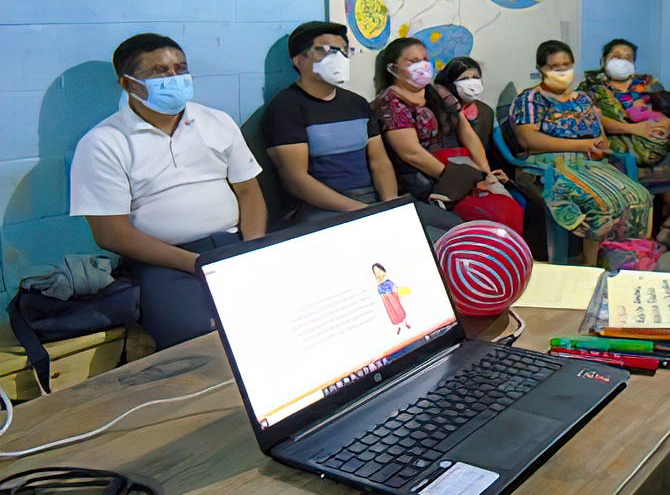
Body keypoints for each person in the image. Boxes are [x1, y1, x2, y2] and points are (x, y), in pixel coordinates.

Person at [70, 33, 267, 350]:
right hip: (162, 259)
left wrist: (253, 247)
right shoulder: (103, 143)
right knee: (197, 336)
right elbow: (110, 233)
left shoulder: (217, 122)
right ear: (128, 84)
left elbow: (248, 191)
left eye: (180, 68)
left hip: (235, 243)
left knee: (277, 311)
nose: (175, 78)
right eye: (160, 73)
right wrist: (193, 263)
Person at [260, 22, 460, 240]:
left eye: (344, 50)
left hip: (372, 200)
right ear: (299, 60)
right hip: (322, 207)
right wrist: (359, 210)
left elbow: (379, 162)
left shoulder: (356, 104)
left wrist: (389, 202)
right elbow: (295, 179)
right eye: (326, 50)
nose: (338, 57)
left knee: (454, 230)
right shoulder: (286, 107)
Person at [511, 40, 654, 266]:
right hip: (549, 165)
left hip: (590, 164)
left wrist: (600, 148)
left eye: (566, 65)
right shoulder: (529, 99)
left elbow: (600, 138)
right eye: (554, 67)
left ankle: (621, 258)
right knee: (601, 203)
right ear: (541, 69)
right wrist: (582, 146)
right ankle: (590, 265)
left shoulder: (582, 100)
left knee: (639, 197)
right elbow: (528, 139)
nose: (562, 71)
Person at [372, 37, 523, 234]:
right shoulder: (390, 103)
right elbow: (412, 154)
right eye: (413, 61)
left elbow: (467, 133)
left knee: (509, 206)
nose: (423, 65)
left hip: (464, 169)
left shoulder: (439, 93)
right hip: (427, 180)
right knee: (486, 216)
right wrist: (462, 180)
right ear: (393, 69)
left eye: (425, 58)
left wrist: (485, 173)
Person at [580, 38, 670, 245]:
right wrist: (634, 129)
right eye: (615, 57)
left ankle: (663, 227)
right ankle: (640, 237)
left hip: (659, 147)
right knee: (635, 195)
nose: (621, 61)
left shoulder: (649, 84)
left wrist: (667, 125)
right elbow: (593, 119)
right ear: (603, 59)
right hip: (621, 149)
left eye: (627, 58)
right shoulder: (592, 88)